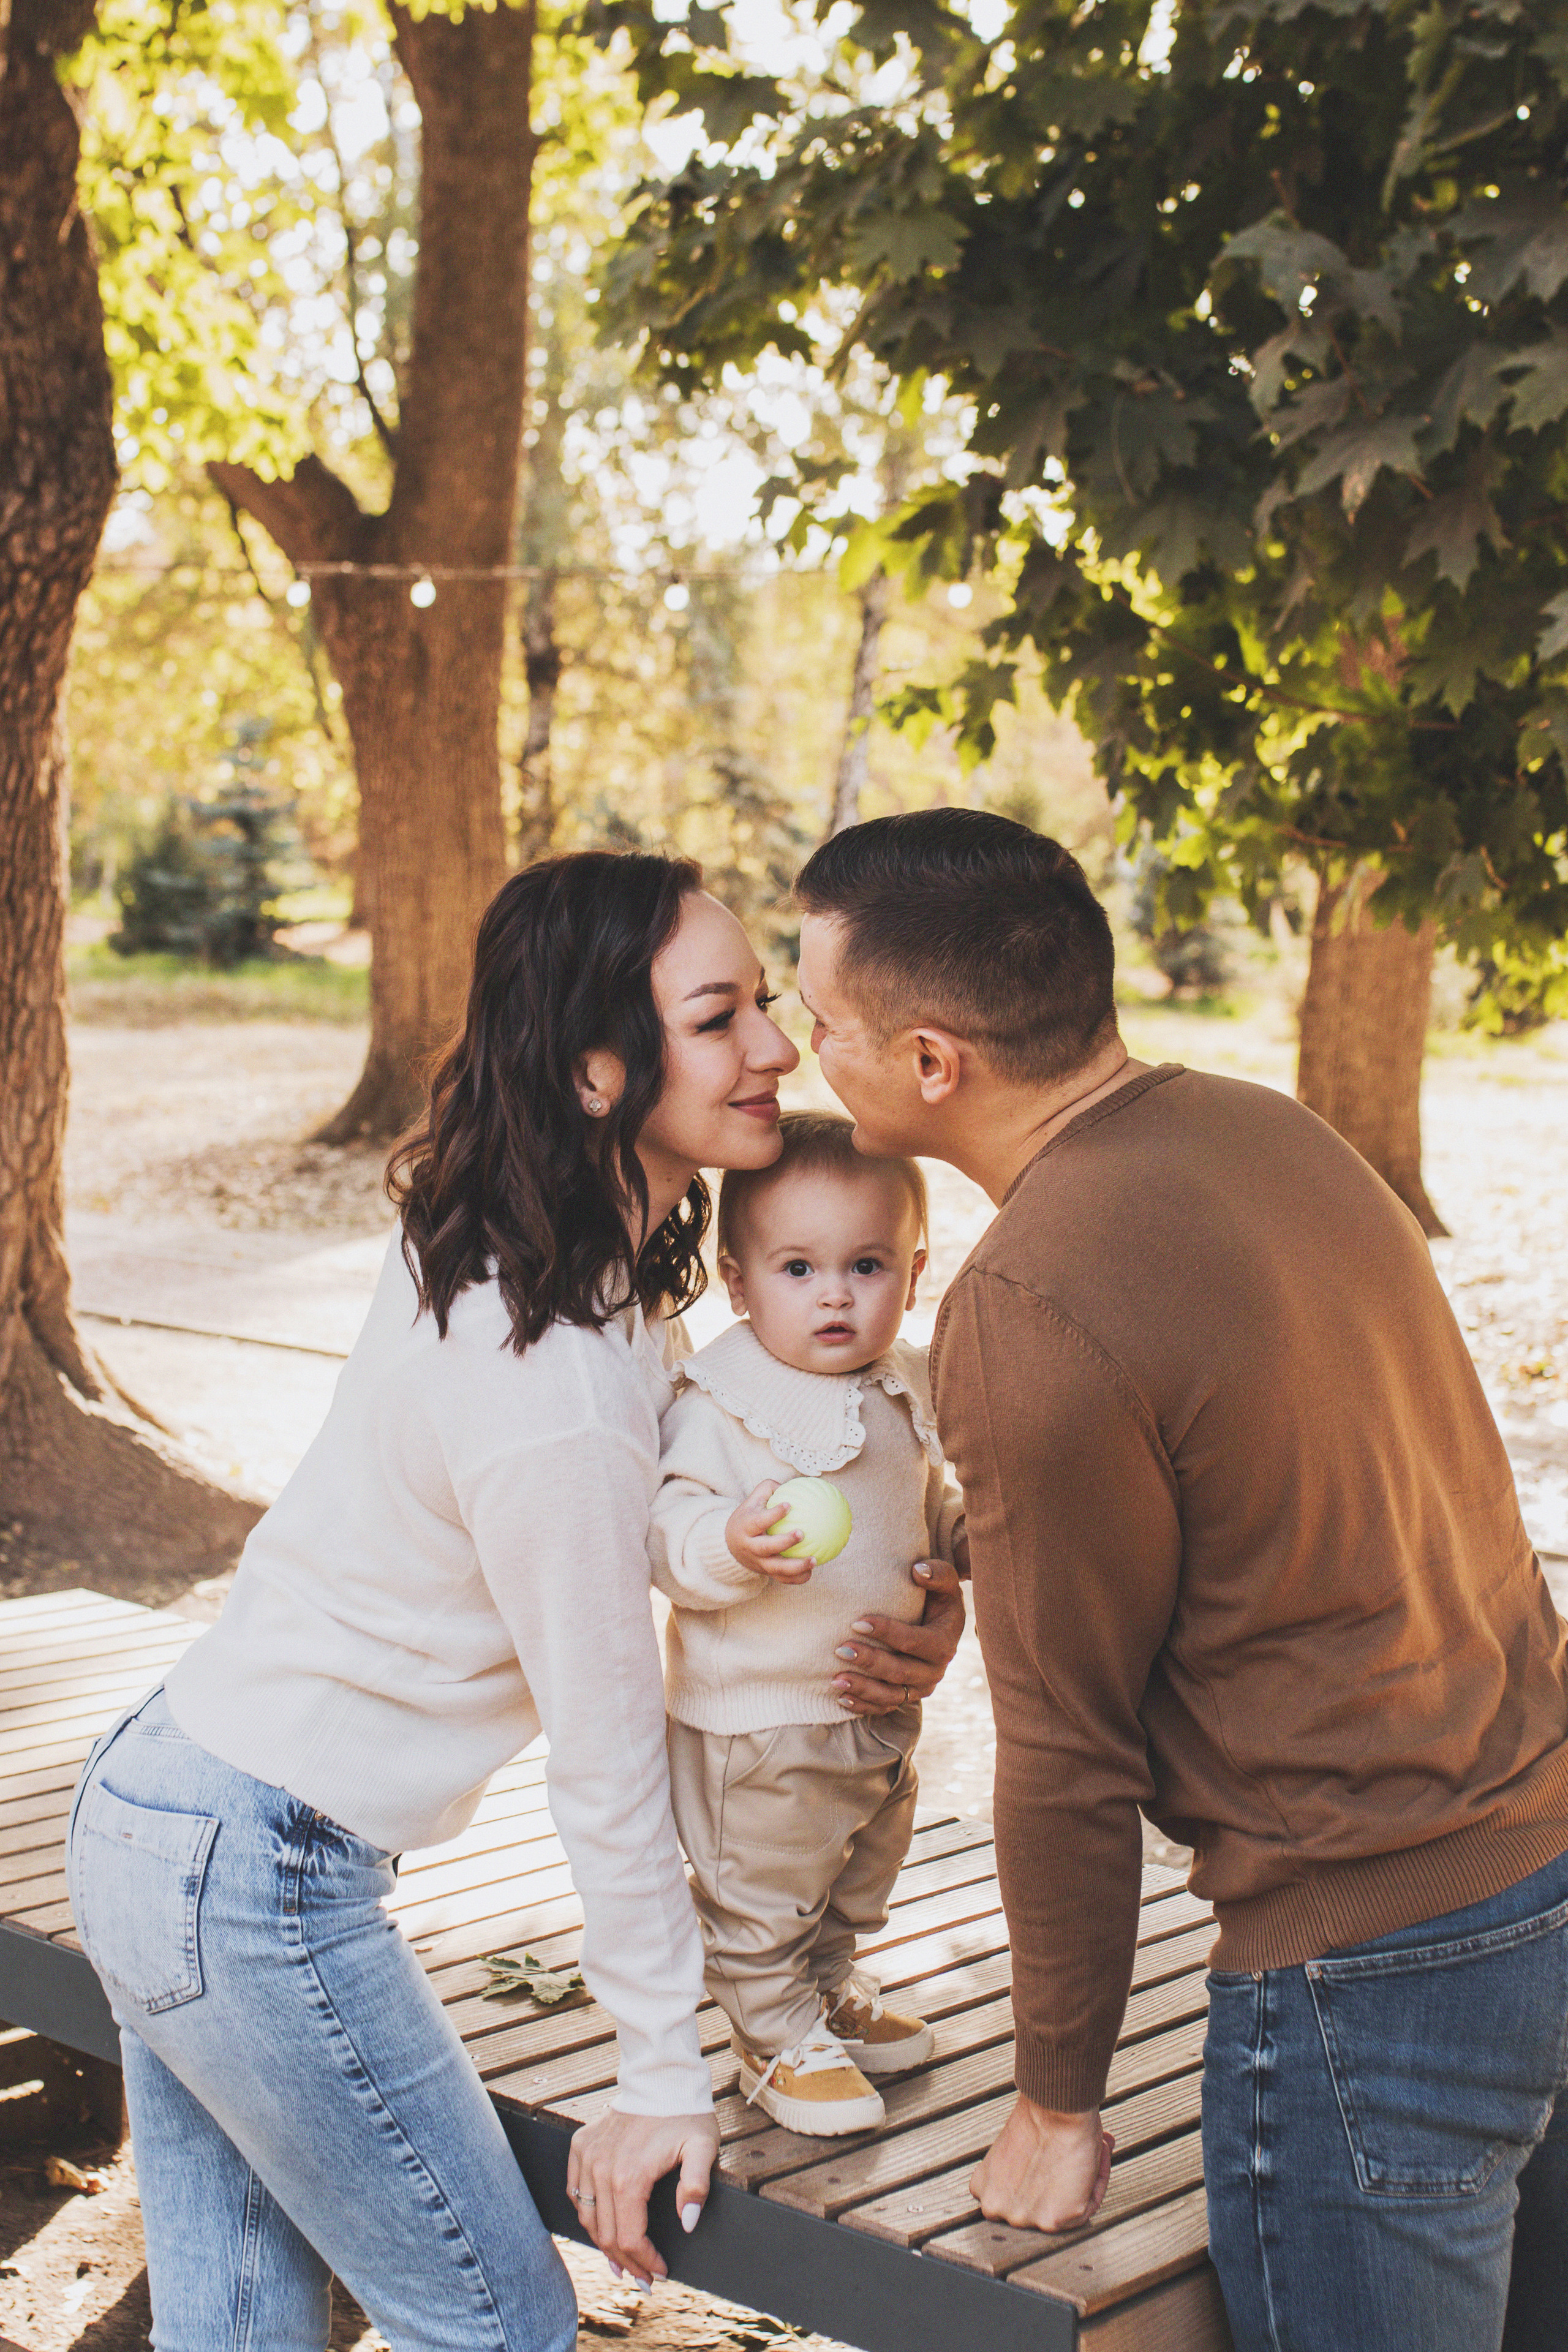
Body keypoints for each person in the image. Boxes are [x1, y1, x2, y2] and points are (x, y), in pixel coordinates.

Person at [66, 852, 966, 2348]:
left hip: (174, 1816)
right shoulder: (553, 1377)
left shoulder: (534, 1262)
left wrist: (906, 1598)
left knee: (240, 2331)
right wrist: (662, 2073)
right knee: (492, 2320)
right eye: (720, 1016)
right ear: (599, 1068)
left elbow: (707, 1512)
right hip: (253, 1870)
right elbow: (607, 1750)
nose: (777, 1050)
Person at [793, 807, 1568, 2352]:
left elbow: (1068, 1754)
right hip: (1537, 1871)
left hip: (1367, 1979)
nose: (800, 1046)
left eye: (819, 1020)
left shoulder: (1026, 1294)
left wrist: (1053, 2097)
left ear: (932, 1061)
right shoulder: (1264, 1126)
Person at [649, 1112, 965, 2136]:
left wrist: (969, 1538)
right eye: (797, 1268)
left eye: (865, 1265)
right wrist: (731, 1543)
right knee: (766, 1883)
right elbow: (664, 1533)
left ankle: (824, 1987)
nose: (834, 1292)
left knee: (858, 1862)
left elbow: (930, 1495)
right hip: (758, 1718)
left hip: (868, 1707)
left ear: (913, 1276)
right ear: (739, 1283)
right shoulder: (724, 1399)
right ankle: (768, 2026)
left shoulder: (905, 1380)